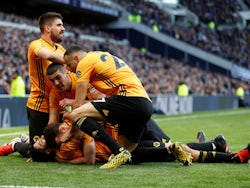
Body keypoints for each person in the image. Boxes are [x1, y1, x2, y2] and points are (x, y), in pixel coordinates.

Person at [63, 45, 154, 168]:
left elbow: (78, 105)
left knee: (75, 114)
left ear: (76, 58)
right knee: (125, 151)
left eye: (68, 64)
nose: (68, 69)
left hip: (127, 98)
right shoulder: (100, 56)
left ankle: (119, 152)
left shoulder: (84, 63)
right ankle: (170, 150)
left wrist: (71, 131)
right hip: (145, 104)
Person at [26, 12, 65, 146]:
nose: (63, 28)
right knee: (40, 151)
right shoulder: (36, 45)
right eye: (59, 25)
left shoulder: (60, 48)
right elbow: (48, 55)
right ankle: (15, 145)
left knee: (58, 148)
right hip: (40, 105)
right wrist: (74, 58)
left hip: (59, 106)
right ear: (47, 28)